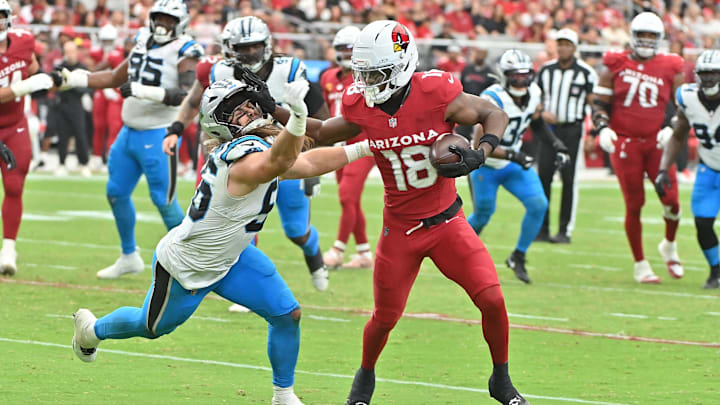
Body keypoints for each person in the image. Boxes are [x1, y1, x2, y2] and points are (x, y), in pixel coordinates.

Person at [71, 77, 373, 405]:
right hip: (190, 263)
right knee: (151, 327)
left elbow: (309, 162)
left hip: (234, 256)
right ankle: (91, 330)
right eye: (235, 111)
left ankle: (283, 394)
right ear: (220, 125)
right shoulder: (241, 157)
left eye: (247, 104)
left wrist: (367, 147)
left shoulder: (258, 148)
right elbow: (279, 162)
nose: (247, 111)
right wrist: (297, 119)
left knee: (287, 315)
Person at [273, 21, 528, 405]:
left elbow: (493, 113)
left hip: (447, 222)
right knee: (385, 317)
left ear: (402, 64)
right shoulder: (361, 104)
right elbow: (324, 131)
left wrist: (482, 152)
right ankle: (364, 377)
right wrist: (273, 108)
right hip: (400, 230)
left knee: (492, 298)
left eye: (376, 73)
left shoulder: (436, 92)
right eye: (364, 73)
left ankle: (501, 380)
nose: (368, 81)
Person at [164, 16, 332, 293]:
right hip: (242, 159)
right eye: (242, 47)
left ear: (266, 44)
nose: (249, 52)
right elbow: (195, 101)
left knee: (296, 230)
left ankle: (313, 255)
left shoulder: (289, 70)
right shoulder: (217, 71)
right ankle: (244, 286)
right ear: (229, 48)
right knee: (240, 225)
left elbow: (321, 119)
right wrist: (176, 128)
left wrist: (313, 161)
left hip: (286, 156)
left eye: (254, 46)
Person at [60, 0, 204, 279]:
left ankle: (192, 263)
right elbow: (116, 76)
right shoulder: (141, 39)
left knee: (164, 201)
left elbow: (187, 93)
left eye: (169, 20)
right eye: (159, 18)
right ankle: (129, 256)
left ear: (181, 23)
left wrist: (142, 90)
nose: (162, 25)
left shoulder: (185, 49)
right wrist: (77, 79)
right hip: (129, 132)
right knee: (115, 193)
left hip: (159, 132)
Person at [592, 12, 685, 283]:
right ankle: (640, 263)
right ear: (633, 36)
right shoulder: (615, 64)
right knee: (635, 204)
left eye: (651, 36)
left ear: (659, 39)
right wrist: (603, 128)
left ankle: (669, 244)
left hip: (658, 142)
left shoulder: (670, 65)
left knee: (672, 202)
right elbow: (599, 103)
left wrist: (672, 127)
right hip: (626, 143)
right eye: (642, 35)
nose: (646, 40)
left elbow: (683, 105)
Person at [466, 49, 570, 284]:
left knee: (538, 204)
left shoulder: (534, 93)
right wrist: (514, 155)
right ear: (504, 75)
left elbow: (537, 121)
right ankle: (458, 253)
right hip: (487, 165)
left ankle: (518, 256)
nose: (522, 80)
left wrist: (558, 145)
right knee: (483, 214)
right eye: (516, 75)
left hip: (512, 163)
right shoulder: (492, 98)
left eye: (526, 75)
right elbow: (479, 144)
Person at [0, 0, 60, 275]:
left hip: (14, 126)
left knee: (14, 186)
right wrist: (25, 86)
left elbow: (35, 70)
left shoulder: (23, 42)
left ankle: (9, 248)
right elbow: (26, 83)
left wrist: (47, 79)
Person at [655, 50, 720, 289]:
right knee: (703, 223)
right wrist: (663, 169)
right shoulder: (688, 97)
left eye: (715, 74)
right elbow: (678, 134)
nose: (709, 79)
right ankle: (716, 271)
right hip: (710, 168)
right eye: (705, 74)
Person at [536, 28, 598, 243]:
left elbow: (594, 104)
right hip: (548, 131)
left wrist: (594, 132)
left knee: (568, 179)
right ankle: (542, 229)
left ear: (574, 47)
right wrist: (542, 112)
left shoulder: (586, 72)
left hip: (572, 129)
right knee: (543, 177)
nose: (562, 48)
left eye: (567, 44)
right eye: (560, 43)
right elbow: (535, 98)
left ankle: (564, 230)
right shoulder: (546, 70)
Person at [320, 26, 375, 269]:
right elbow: (325, 111)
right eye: (342, 49)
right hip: (338, 143)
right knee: (350, 201)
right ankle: (364, 253)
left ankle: (338, 249)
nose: (345, 53)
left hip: (362, 142)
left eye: (350, 48)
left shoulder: (369, 76)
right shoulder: (328, 77)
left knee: (346, 196)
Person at [51, 40, 92, 177]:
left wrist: (74, 85)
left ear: (77, 52)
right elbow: (54, 85)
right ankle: (62, 163)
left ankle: (84, 163)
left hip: (77, 104)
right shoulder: (60, 67)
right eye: (67, 51)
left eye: (72, 51)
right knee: (62, 135)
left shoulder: (82, 67)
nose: (70, 54)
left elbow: (89, 86)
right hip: (62, 104)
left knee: (80, 134)